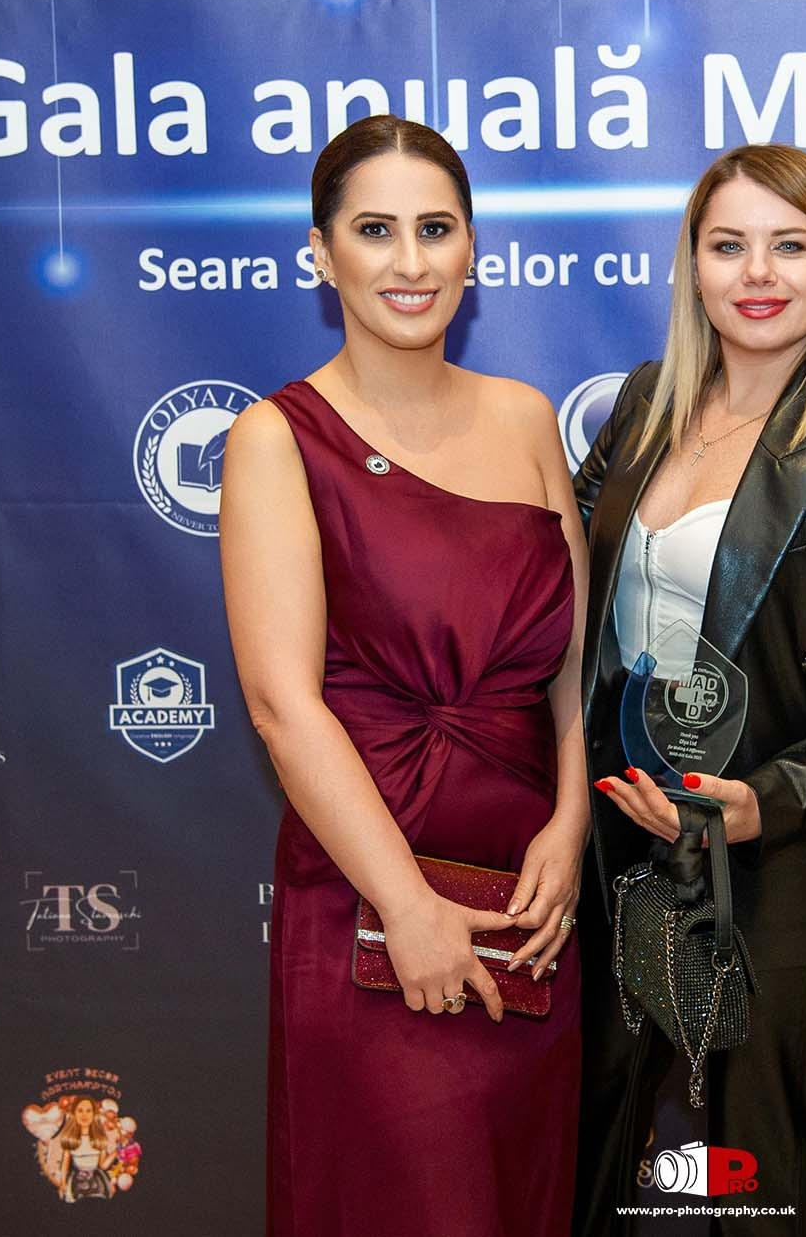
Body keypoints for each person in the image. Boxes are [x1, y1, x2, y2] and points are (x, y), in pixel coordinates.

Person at [221, 114, 590, 1237]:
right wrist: (406, 906)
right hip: (371, 913)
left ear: (472, 247)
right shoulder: (276, 438)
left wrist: (572, 823)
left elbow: (571, 667)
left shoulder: (527, 418)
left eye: (435, 228)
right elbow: (283, 708)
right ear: (321, 253)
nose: (410, 261)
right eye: (374, 230)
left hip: (527, 914)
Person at [571, 144, 806, 1236]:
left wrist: (761, 804)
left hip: (781, 867)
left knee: (759, 1180)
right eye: (729, 245)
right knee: (589, 1156)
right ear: (693, 264)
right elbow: (570, 599)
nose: (759, 273)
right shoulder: (643, 404)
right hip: (623, 844)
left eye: (790, 245)